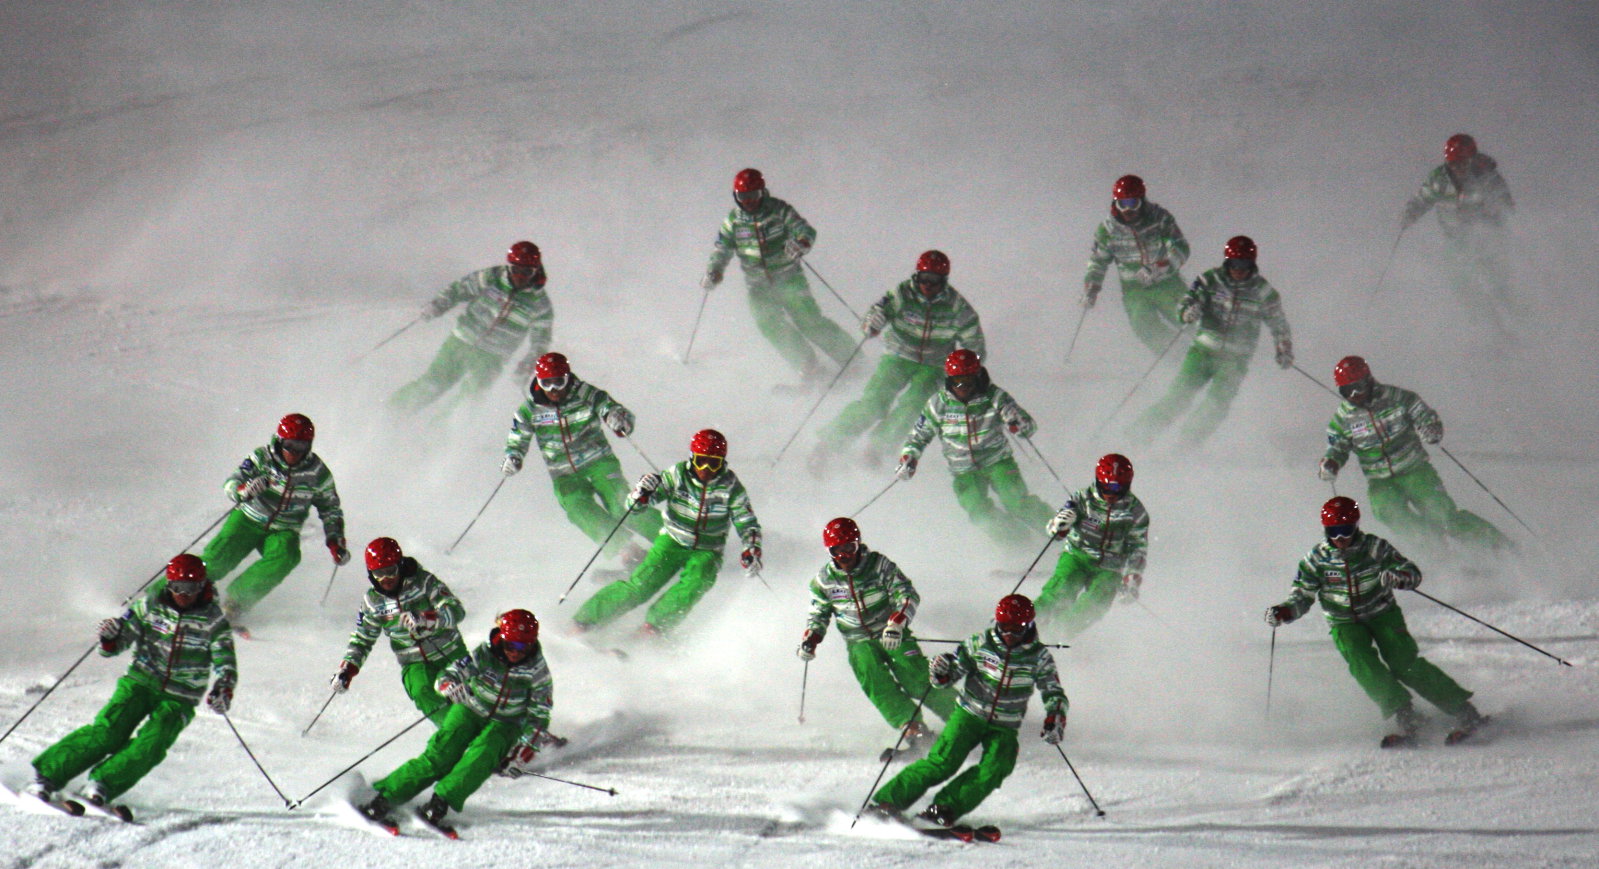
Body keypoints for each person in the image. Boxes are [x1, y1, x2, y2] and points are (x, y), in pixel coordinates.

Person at [1265, 497, 1487, 747]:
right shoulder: (1316, 559)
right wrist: (1285, 611)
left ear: (1356, 526)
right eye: (1334, 531)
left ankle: (1464, 712)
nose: (1340, 537)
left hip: (1382, 614)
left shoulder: (1374, 548)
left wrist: (1399, 576)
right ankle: (1408, 718)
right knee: (1365, 668)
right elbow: (1302, 594)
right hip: (1344, 622)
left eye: (1346, 530)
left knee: (1404, 663)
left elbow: (1411, 572)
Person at [26, 555, 236, 808]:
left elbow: (225, 659)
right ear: (168, 584)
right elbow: (114, 647)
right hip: (140, 682)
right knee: (108, 733)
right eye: (177, 587)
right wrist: (111, 637)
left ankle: (102, 784)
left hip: (180, 696)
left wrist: (224, 688)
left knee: (153, 744)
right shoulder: (149, 606)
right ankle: (46, 777)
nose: (184, 594)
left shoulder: (213, 621)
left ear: (202, 586)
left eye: (191, 588)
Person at [869, 594, 1068, 828]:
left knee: (996, 768)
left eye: (1017, 628)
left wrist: (1055, 718)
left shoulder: (1039, 657)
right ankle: (887, 803)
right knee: (942, 762)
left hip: (1005, 724)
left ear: (1030, 625)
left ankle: (944, 808)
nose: (1010, 635)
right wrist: (941, 671)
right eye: (1005, 627)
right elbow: (945, 679)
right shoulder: (978, 644)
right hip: (969, 715)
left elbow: (1053, 691)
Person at [358, 610, 554, 831]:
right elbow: (450, 673)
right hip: (470, 709)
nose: (516, 652)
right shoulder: (485, 654)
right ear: (502, 637)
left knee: (481, 758)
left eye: (523, 647)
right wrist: (449, 687)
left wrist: (521, 756)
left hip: (505, 723)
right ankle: (384, 799)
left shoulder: (538, 672)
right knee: (440, 755)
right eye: (511, 645)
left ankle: (439, 804)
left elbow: (540, 716)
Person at [572, 429, 762, 637]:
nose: (706, 469)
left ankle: (653, 628)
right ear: (692, 459)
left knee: (694, 585)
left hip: (707, 549)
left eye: (713, 463)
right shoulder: (677, 475)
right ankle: (586, 621)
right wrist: (642, 494)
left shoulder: (730, 487)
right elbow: (634, 508)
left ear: (722, 463)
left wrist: (751, 548)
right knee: (641, 584)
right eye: (701, 461)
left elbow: (747, 521)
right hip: (672, 540)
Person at [1318, 356, 1510, 555]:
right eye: (1347, 391)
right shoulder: (1343, 419)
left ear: (1368, 380)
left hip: (1414, 469)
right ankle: (1437, 553)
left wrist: (1430, 428)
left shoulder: (1398, 398)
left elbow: (1423, 415)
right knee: (1389, 513)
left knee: (1441, 514)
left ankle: (1497, 545)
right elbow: (1336, 446)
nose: (1355, 394)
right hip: (1380, 481)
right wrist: (1331, 463)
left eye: (1358, 386)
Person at [797, 518, 955, 750]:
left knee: (916, 675)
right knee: (876, 683)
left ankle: (963, 717)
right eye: (837, 551)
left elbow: (907, 593)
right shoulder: (824, 581)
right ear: (829, 551)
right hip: (857, 640)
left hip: (891, 632)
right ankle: (914, 731)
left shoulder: (879, 565)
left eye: (849, 548)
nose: (845, 556)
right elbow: (819, 614)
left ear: (858, 544)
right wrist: (812, 638)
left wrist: (897, 622)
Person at [816, 250, 985, 465]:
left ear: (944, 280)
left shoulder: (957, 306)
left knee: (913, 407)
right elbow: (877, 312)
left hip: (933, 365)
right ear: (917, 276)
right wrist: (872, 324)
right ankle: (830, 443)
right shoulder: (902, 293)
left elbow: (975, 343)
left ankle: (877, 449)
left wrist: (970, 367)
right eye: (924, 278)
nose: (928, 285)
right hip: (898, 355)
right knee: (874, 402)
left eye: (934, 280)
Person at [1131, 235, 1293, 446]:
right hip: (1203, 351)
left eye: (1244, 264)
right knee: (1179, 396)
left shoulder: (1263, 292)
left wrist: (1283, 349)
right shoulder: (1210, 280)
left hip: (1235, 360)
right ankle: (1138, 435)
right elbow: (1186, 302)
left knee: (1216, 404)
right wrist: (1188, 312)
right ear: (1227, 261)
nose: (1239, 269)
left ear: (1252, 264)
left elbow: (1279, 324)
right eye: (1234, 263)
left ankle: (1187, 443)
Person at [502, 352, 661, 567]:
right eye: (547, 384)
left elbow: (612, 409)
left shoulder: (586, 393)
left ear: (567, 378)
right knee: (578, 509)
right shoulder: (530, 410)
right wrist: (514, 457)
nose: (554, 390)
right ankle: (628, 550)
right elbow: (517, 437)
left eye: (558, 382)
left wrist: (617, 419)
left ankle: (670, 540)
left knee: (620, 504)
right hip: (563, 473)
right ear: (539, 382)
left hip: (598, 461)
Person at [701, 168, 854, 381]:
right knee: (769, 323)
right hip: (758, 286)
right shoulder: (734, 222)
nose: (749, 202)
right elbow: (722, 249)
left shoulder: (778, 210)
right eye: (743, 197)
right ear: (736, 196)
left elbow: (805, 229)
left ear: (762, 193)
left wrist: (801, 243)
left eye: (753, 196)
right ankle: (808, 367)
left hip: (788, 278)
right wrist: (714, 271)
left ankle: (851, 360)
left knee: (808, 321)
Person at [897, 350, 1053, 547]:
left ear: (978, 377)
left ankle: (1062, 535)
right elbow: (919, 435)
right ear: (949, 380)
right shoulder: (939, 404)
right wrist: (909, 457)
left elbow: (1028, 428)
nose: (963, 387)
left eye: (969, 381)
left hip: (997, 461)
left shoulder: (994, 397)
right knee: (979, 512)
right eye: (957, 382)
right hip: (963, 470)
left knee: (1017, 502)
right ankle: (1019, 545)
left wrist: (1017, 421)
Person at [201, 413, 346, 625]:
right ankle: (177, 590)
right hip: (249, 518)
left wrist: (335, 538)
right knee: (218, 558)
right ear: (279, 440)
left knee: (287, 555)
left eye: (301, 446)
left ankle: (235, 603)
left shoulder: (317, 472)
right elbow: (232, 482)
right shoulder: (262, 458)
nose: (295, 452)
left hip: (284, 528)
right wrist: (243, 490)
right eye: (289, 445)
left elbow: (330, 507)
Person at [390, 240, 555, 413]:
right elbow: (459, 289)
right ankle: (392, 412)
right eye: (516, 270)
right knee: (433, 382)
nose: (520, 276)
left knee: (470, 399)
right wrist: (439, 304)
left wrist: (529, 362)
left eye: (527, 272)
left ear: (536, 270)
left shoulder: (539, 303)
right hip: (462, 340)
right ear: (509, 266)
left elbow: (541, 340)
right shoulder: (493, 277)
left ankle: (440, 436)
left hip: (493, 356)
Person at [331, 538, 467, 726]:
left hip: (450, 652)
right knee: (421, 690)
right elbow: (363, 639)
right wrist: (348, 669)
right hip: (414, 662)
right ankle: (456, 733)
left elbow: (456, 610)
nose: (386, 579)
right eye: (379, 574)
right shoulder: (373, 601)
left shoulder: (424, 582)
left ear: (400, 565)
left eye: (390, 571)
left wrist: (428, 619)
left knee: (463, 693)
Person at [1400, 134, 1515, 329]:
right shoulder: (1439, 179)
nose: (1458, 168)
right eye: (1453, 164)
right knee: (1463, 284)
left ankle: (1519, 321)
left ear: (1472, 160)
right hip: (1455, 238)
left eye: (1462, 163)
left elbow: (1505, 204)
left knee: (1495, 281)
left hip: (1484, 237)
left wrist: (1493, 219)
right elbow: (1423, 198)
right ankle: (1489, 330)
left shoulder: (1486, 176)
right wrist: (1410, 214)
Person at [1036, 454, 1150, 637]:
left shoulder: (1135, 512)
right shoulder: (1083, 499)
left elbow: (1138, 547)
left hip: (1110, 567)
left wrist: (1132, 576)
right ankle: (1023, 626)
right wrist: (1060, 526)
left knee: (1094, 603)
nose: (1110, 494)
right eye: (1105, 487)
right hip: (1077, 556)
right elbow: (1054, 530)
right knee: (1060, 589)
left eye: (1117, 489)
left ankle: (1058, 634)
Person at [1082, 174, 1192, 353]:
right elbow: (1098, 261)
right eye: (1122, 204)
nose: (1128, 209)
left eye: (1133, 203)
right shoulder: (1108, 230)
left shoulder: (1159, 219)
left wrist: (1160, 268)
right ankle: (1178, 355)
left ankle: (1219, 353)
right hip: (1134, 288)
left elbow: (1181, 248)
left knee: (1188, 317)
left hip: (1167, 283)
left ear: (1142, 200)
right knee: (1143, 324)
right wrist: (1091, 288)